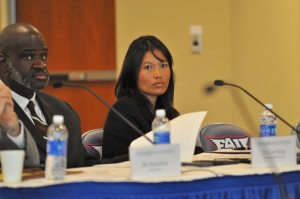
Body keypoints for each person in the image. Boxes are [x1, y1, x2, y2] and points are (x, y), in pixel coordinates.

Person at [0, 23, 98, 168]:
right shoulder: (3, 110)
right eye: (28, 56)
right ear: (3, 63)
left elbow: (83, 164)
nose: (41, 64)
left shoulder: (63, 110)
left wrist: (132, 160)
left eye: (43, 55)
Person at [102, 35, 180, 159]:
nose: (158, 74)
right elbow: (131, 159)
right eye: (148, 67)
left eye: (163, 65)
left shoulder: (170, 114)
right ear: (132, 73)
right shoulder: (123, 111)